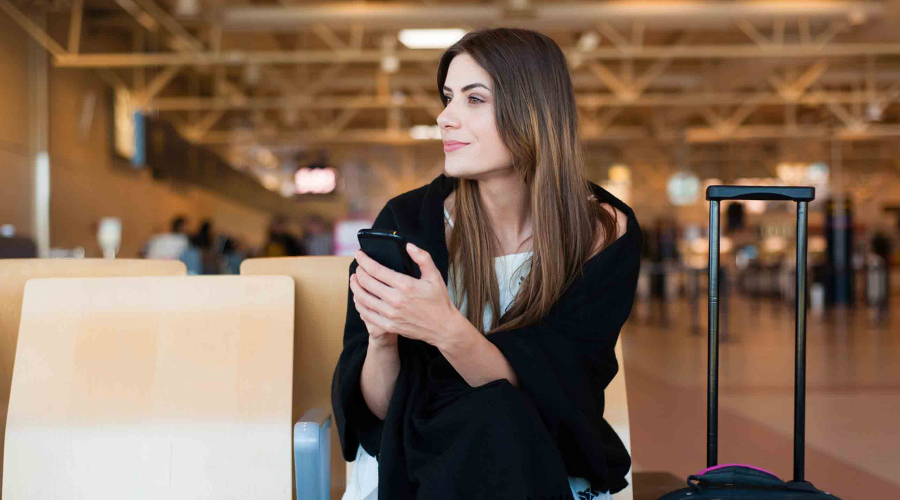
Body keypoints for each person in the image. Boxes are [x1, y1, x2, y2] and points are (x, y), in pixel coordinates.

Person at [332, 28, 641, 500]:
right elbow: (380, 410)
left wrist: (443, 329)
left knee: (497, 413)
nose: (444, 117)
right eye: (448, 97)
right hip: (416, 463)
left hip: (540, 459)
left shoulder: (602, 231)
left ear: (532, 110)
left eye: (474, 100)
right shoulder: (408, 224)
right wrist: (382, 340)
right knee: (490, 416)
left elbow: (559, 392)